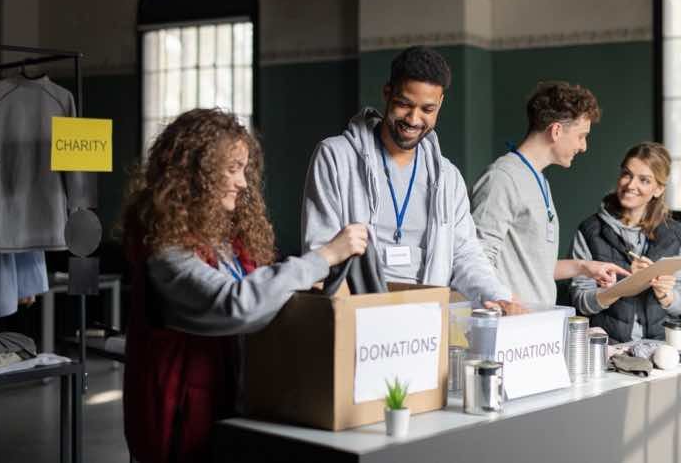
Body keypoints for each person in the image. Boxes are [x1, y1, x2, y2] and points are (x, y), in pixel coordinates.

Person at [122, 108, 367, 463]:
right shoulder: (164, 252)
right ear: (196, 173)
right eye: (232, 169)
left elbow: (260, 296)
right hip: (179, 431)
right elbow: (235, 305)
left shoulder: (230, 241)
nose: (242, 182)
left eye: (244, 170)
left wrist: (297, 291)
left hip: (231, 417)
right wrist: (325, 256)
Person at [301, 46, 516, 312]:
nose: (414, 119)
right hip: (357, 316)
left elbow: (465, 254)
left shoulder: (448, 178)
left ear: (440, 104)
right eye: (404, 104)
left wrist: (497, 295)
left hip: (426, 321)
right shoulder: (335, 157)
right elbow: (320, 250)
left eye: (427, 109)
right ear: (387, 93)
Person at [471, 81, 628, 307]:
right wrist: (506, 304)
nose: (583, 146)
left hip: (538, 322)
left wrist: (584, 267)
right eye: (581, 136)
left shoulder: (539, 180)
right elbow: (478, 258)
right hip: (510, 322)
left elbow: (535, 268)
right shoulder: (502, 178)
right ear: (556, 131)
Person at [569, 142, 681, 342]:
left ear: (658, 189)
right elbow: (581, 302)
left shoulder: (675, 236)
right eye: (627, 174)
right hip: (606, 344)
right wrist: (626, 285)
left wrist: (664, 294)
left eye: (644, 180)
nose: (630, 185)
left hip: (660, 345)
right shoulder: (590, 231)